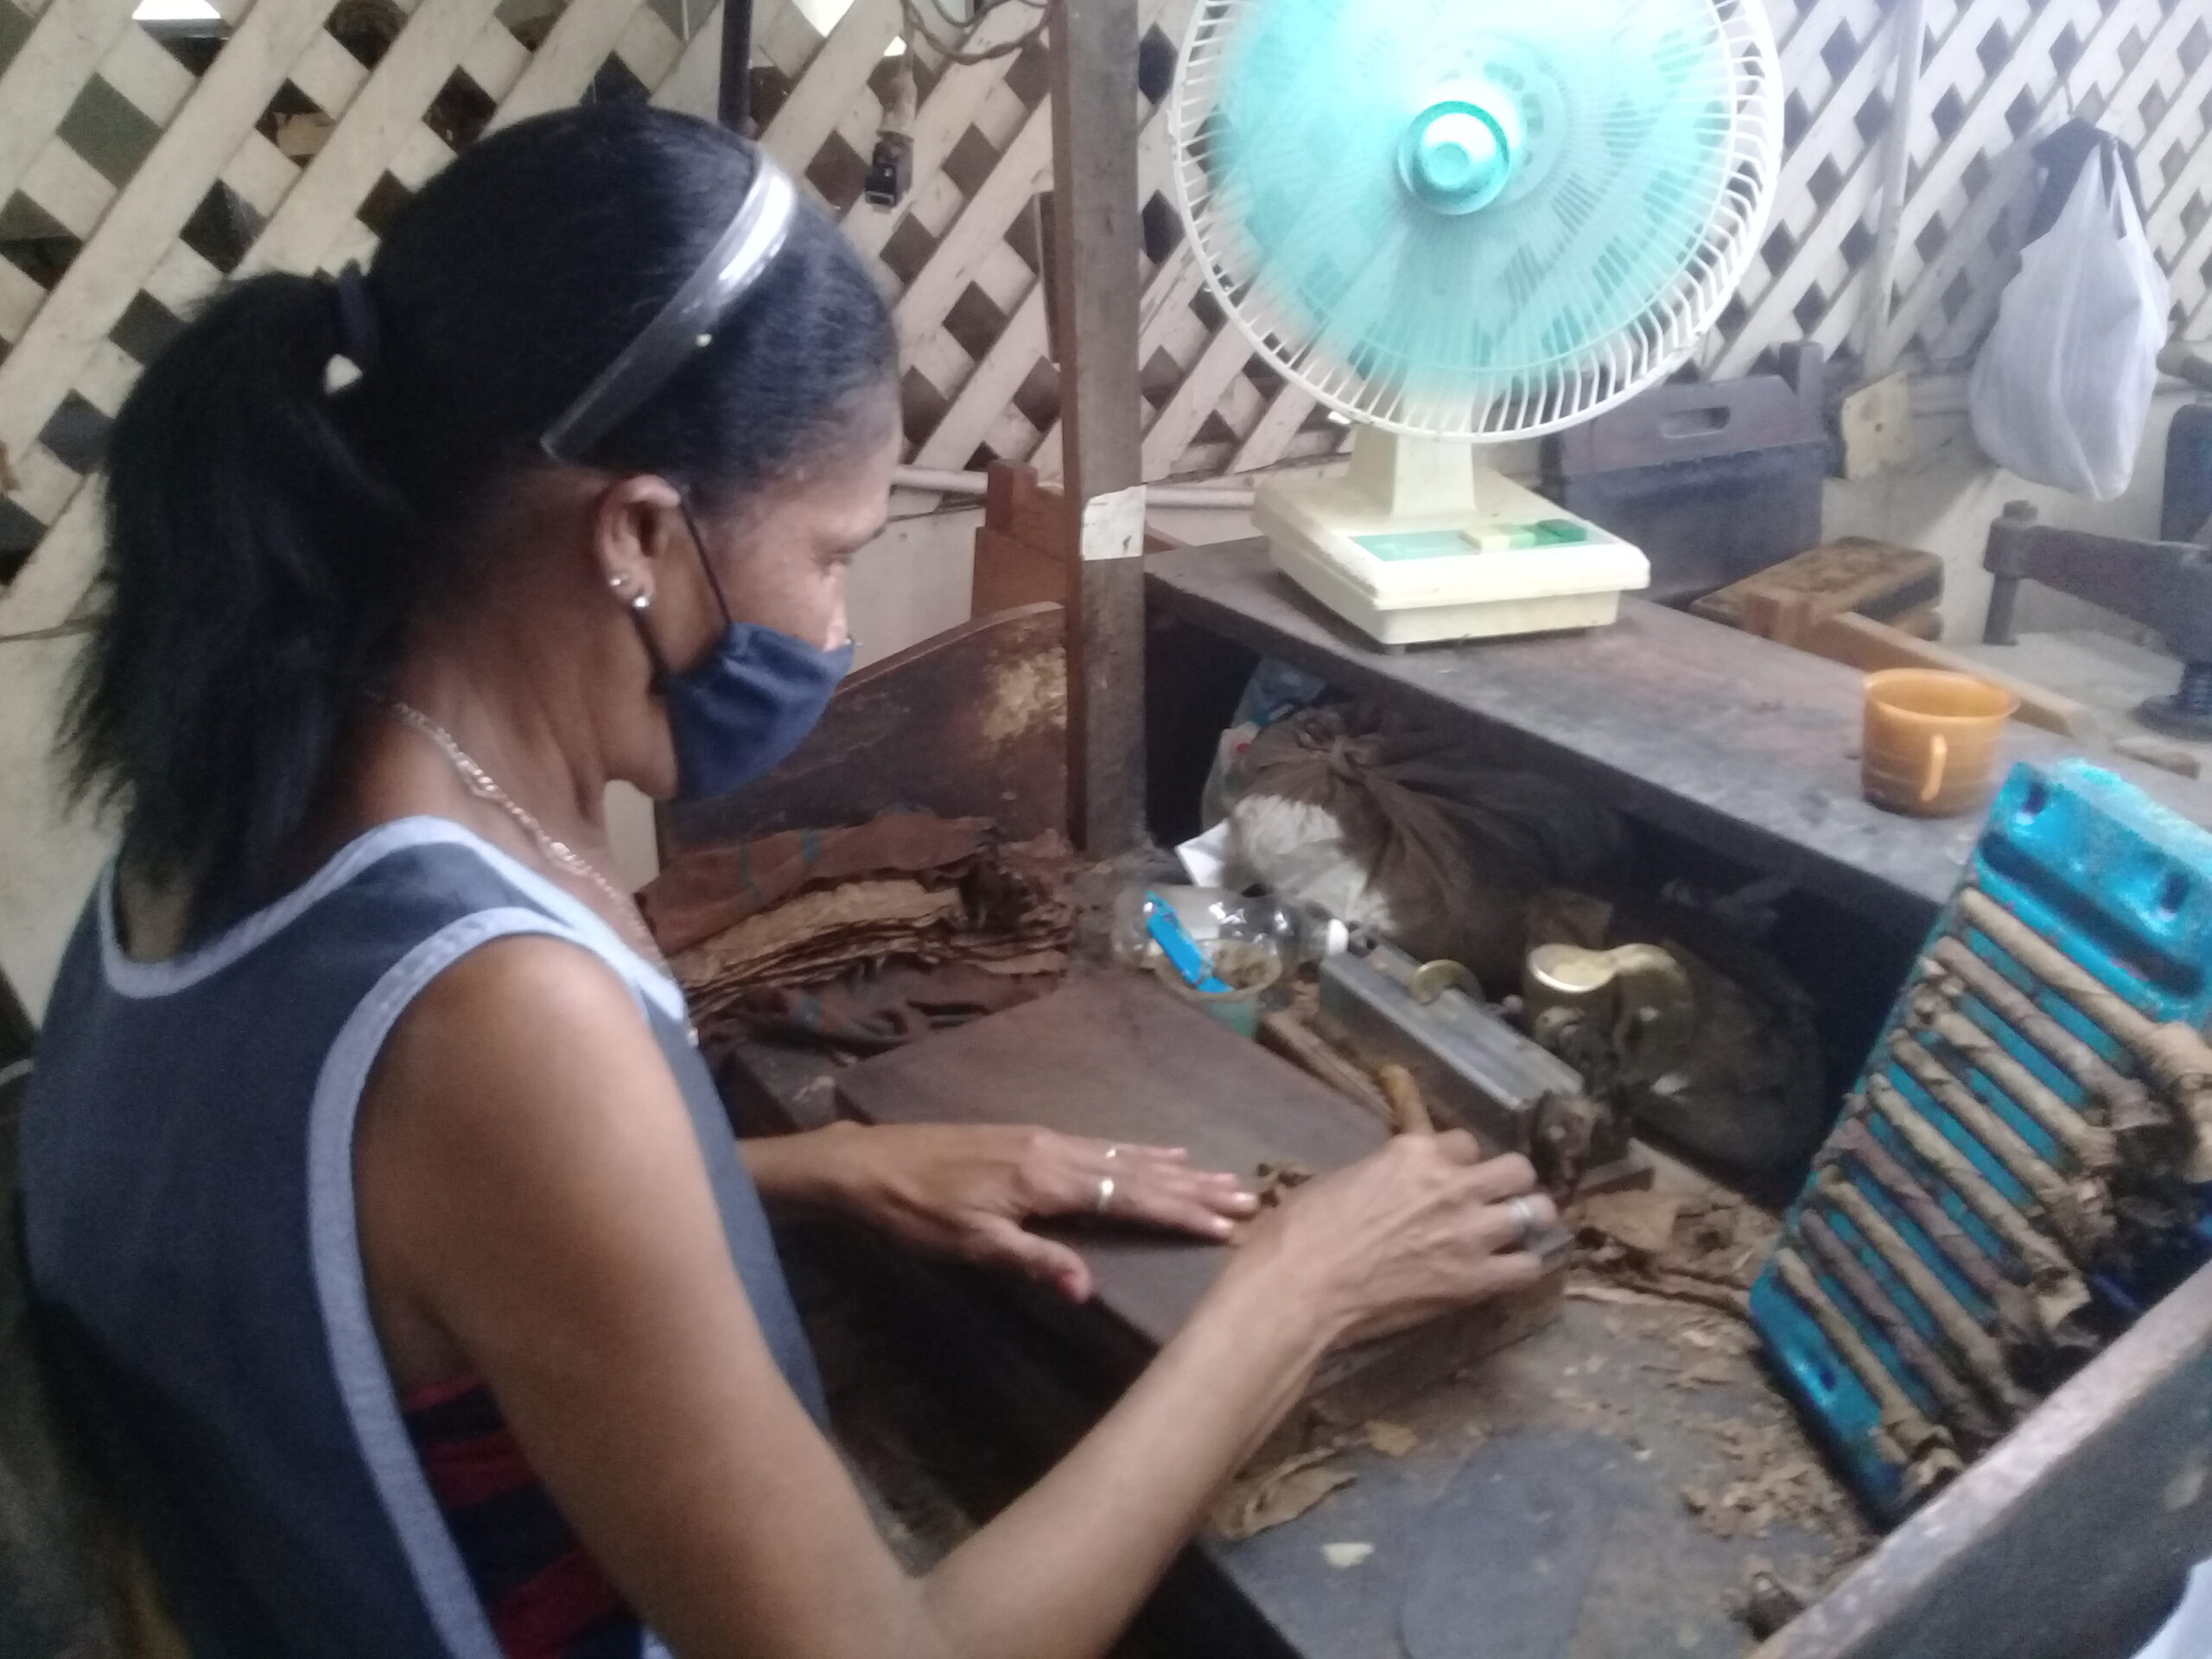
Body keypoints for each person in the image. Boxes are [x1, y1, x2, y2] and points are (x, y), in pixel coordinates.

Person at [19, 104, 1555, 1659]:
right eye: (830, 555)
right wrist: (1298, 1292)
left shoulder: (229, 801)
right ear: (634, 530)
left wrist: (811, 1175)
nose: (833, 634)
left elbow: (354, 1236)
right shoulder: (496, 1007)